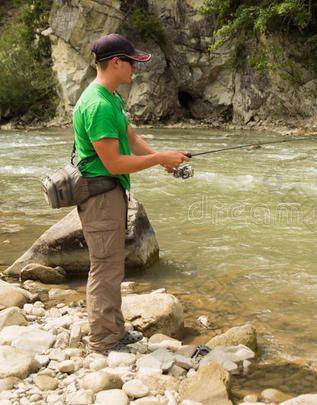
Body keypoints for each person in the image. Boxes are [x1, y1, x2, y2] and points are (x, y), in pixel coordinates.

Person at [73, 33, 189, 353]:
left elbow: (131, 138)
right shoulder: (97, 104)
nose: (135, 69)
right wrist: (158, 159)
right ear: (115, 63)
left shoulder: (111, 97)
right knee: (105, 267)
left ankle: (114, 330)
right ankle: (104, 340)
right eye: (132, 62)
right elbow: (112, 163)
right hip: (100, 196)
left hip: (110, 194)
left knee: (112, 264)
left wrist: (161, 160)